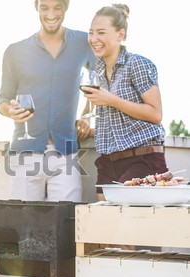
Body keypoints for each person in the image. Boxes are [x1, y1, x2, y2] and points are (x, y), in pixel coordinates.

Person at [0, 0, 95, 277]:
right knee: (28, 237)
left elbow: (103, 80)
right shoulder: (15, 51)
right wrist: (8, 109)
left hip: (66, 152)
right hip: (26, 151)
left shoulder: (83, 42)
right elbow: (2, 99)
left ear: (66, 7)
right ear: (35, 7)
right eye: (45, 8)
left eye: (58, 8)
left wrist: (88, 116)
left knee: (67, 234)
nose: (51, 14)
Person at [78, 4, 168, 201]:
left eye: (101, 32)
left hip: (142, 159)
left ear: (120, 35)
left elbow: (155, 114)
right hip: (107, 163)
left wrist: (111, 99)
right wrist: (85, 123)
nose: (94, 39)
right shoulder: (96, 72)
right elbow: (96, 116)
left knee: (129, 222)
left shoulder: (138, 64)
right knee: (105, 223)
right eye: (91, 33)